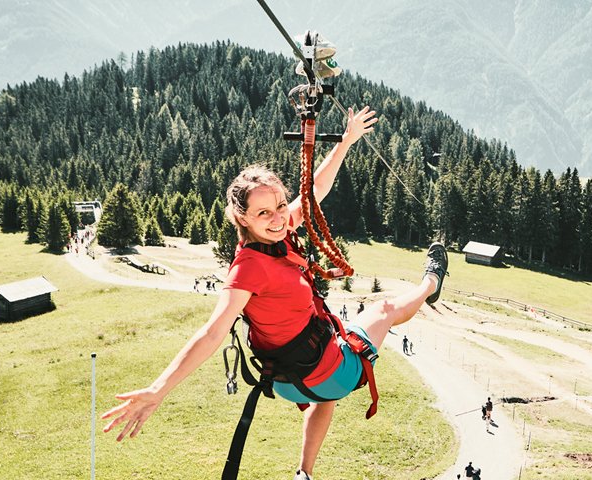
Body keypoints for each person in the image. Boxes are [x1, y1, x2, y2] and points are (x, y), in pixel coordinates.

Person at [101, 107, 450, 480]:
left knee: (325, 395)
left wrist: (346, 142)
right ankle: (431, 283)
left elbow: (314, 191)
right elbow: (212, 332)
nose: (279, 218)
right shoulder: (249, 268)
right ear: (242, 218)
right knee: (384, 310)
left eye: (281, 205)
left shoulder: (278, 236)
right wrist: (158, 389)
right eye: (264, 212)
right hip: (327, 372)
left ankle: (304, 473)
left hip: (288, 381)